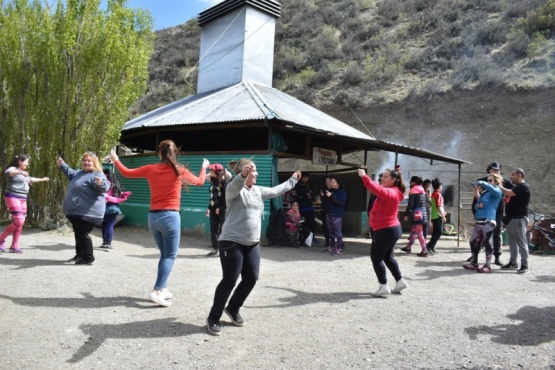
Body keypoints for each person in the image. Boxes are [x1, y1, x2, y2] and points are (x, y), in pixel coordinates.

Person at [206, 159, 301, 336]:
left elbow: (275, 191)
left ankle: (233, 308)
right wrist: (242, 175)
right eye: (252, 171)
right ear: (242, 172)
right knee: (230, 280)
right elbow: (234, 185)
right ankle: (213, 317)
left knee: (251, 278)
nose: (256, 174)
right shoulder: (233, 190)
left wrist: (293, 180)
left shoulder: (257, 190)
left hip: (252, 243)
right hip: (231, 241)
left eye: (255, 171)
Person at [110, 141, 208, 306]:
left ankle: (164, 288)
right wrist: (204, 166)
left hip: (153, 218)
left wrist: (115, 159)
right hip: (170, 217)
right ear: (174, 152)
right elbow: (200, 182)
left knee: (165, 255)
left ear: (159, 153)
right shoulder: (179, 170)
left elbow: (126, 173)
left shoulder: (150, 169)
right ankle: (157, 290)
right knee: (170, 256)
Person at [358, 165, 408, 297]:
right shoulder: (393, 190)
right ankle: (400, 281)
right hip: (390, 229)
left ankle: (383, 285)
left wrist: (364, 176)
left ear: (394, 180)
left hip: (386, 230)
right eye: (382, 176)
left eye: (386, 177)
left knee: (376, 258)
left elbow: (377, 189)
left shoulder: (391, 192)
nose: (382, 179)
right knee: (387, 256)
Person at [57, 152, 109, 265]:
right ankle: (79, 255)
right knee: (78, 233)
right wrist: (62, 164)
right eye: (85, 160)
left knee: (82, 234)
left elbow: (105, 186)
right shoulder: (79, 173)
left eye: (89, 161)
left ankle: (89, 257)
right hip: (76, 211)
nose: (86, 162)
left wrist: (100, 184)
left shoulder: (97, 174)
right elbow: (70, 172)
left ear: (94, 163)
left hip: (89, 212)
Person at [0, 154, 50, 253]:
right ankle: (1, 240)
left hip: (23, 199)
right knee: (18, 221)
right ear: (20, 162)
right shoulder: (13, 169)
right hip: (12, 197)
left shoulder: (24, 173)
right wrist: (20, 173)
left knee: (20, 223)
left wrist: (42, 179)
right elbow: (7, 172)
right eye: (26, 162)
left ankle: (14, 246)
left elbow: (31, 179)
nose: (27, 164)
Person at [469, 162, 513, 265]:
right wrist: (476, 210)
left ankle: (497, 257)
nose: (496, 171)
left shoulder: (503, 182)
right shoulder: (484, 180)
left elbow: (514, 191)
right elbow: (478, 199)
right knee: (478, 236)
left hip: (497, 211)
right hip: (483, 212)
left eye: (498, 170)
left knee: (496, 234)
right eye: (494, 170)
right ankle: (474, 256)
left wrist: (506, 198)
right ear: (489, 170)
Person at [463, 173, 503, 273]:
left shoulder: (497, 190)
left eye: (490, 180)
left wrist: (482, 183)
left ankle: (488, 265)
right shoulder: (485, 193)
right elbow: (478, 204)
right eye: (487, 180)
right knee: (473, 241)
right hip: (480, 220)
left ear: (496, 181)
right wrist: (477, 196)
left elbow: (493, 191)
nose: (488, 182)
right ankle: (474, 263)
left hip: (489, 220)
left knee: (488, 243)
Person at [499, 168, 531, 274]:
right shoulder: (517, 187)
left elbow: (509, 192)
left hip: (519, 218)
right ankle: (513, 263)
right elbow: (510, 197)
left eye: (513, 174)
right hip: (511, 218)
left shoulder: (523, 187)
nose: (511, 177)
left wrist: (497, 185)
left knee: (522, 243)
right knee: (512, 242)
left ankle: (524, 265)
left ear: (520, 175)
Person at [100, 168, 132, 251]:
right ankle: (108, 243)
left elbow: (103, 195)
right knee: (110, 225)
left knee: (104, 225)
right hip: (114, 208)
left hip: (104, 208)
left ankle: (104, 242)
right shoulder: (115, 185)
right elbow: (119, 195)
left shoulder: (105, 184)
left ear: (106, 175)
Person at [206, 163, 231, 256]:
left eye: (212, 170)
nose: (210, 172)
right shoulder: (212, 180)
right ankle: (216, 248)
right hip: (213, 209)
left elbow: (225, 196)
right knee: (213, 229)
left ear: (217, 172)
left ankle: (224, 249)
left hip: (223, 209)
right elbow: (212, 196)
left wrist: (219, 207)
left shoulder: (225, 181)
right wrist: (209, 208)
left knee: (223, 229)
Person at [401, 176, 430, 257]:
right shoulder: (422, 190)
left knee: (419, 233)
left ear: (413, 182)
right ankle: (408, 247)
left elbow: (410, 204)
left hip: (417, 214)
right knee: (414, 232)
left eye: (411, 181)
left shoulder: (413, 190)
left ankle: (425, 251)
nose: (410, 183)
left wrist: (406, 214)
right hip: (422, 214)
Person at [324, 176, 347, 255]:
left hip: (337, 215)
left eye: (333, 182)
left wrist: (331, 196)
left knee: (338, 233)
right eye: (331, 182)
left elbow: (340, 203)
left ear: (338, 183)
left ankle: (339, 248)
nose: (331, 184)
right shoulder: (331, 191)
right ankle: (332, 247)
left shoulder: (342, 192)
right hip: (329, 214)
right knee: (331, 232)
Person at [425, 178, 447, 254]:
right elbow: (438, 206)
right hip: (438, 216)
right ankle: (430, 246)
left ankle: (431, 246)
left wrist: (443, 212)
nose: (442, 187)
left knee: (436, 232)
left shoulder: (434, 194)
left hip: (434, 215)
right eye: (441, 186)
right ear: (440, 186)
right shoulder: (438, 194)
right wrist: (443, 216)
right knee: (439, 232)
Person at [294, 172, 317, 243]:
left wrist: (309, 195)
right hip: (302, 208)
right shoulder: (298, 185)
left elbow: (313, 196)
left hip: (310, 208)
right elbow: (299, 195)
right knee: (303, 224)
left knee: (312, 224)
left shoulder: (310, 185)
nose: (305, 178)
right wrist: (306, 195)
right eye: (304, 177)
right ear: (301, 177)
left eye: (307, 177)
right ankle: (302, 239)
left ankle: (312, 238)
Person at [367, 173, 383, 239]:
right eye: (379, 180)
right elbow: (371, 202)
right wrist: (369, 211)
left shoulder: (386, 191)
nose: (380, 182)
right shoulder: (375, 190)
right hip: (374, 214)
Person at [320, 176, 332, 247]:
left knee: (334, 227)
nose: (328, 183)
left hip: (332, 211)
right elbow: (323, 201)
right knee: (325, 227)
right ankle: (327, 241)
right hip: (325, 210)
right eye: (326, 181)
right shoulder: (323, 190)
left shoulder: (335, 190)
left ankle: (340, 242)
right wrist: (323, 196)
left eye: (329, 181)